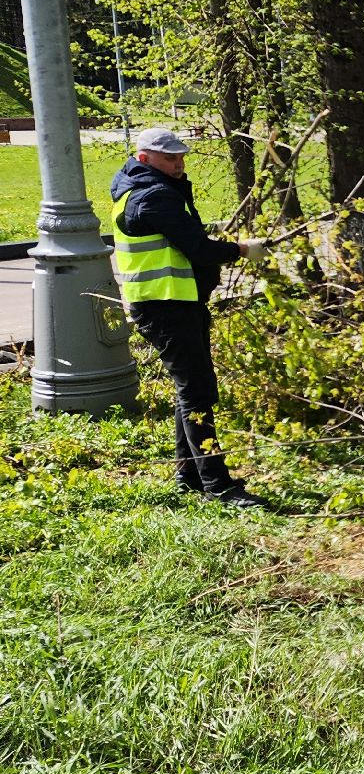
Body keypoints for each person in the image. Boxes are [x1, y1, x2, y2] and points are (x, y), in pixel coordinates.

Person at [109, 127, 272, 508]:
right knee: (196, 393)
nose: (179, 164)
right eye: (170, 158)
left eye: (181, 157)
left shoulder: (144, 187)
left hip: (175, 303)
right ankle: (218, 485)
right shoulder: (154, 196)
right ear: (145, 158)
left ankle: (190, 475)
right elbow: (198, 249)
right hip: (166, 306)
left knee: (192, 391)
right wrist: (242, 250)